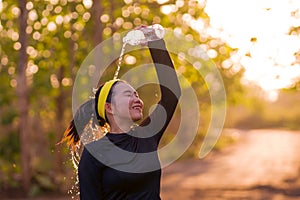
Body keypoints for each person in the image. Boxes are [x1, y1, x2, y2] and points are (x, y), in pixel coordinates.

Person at [61, 28, 181, 200]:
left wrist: (155, 42)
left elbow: (172, 93)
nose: (137, 99)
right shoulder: (95, 152)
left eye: (136, 94)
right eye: (128, 94)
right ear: (110, 107)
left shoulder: (147, 135)